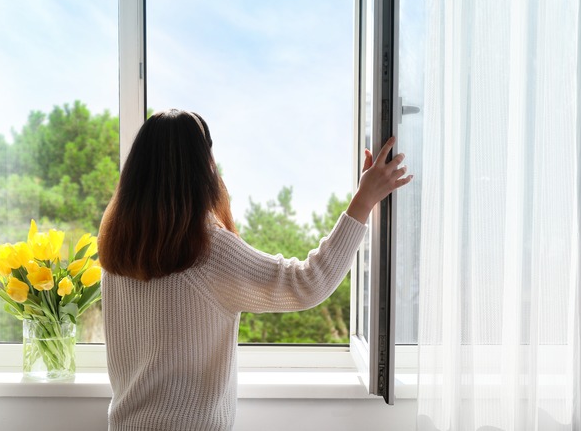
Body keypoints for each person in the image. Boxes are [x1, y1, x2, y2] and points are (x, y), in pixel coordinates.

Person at [98, 109, 412, 430]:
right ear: (202, 167)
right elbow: (306, 283)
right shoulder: (205, 248)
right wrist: (364, 199)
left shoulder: (118, 247)